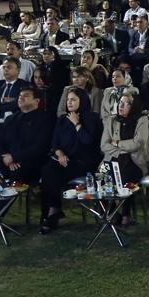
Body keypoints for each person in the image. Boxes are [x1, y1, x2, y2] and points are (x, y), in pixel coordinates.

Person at [40, 86, 102, 233]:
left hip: (83, 162)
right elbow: (55, 142)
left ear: (83, 101)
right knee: (47, 170)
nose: (69, 102)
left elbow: (88, 141)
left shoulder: (92, 118)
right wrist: (60, 154)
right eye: (68, 99)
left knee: (52, 175)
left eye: (73, 99)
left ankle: (52, 212)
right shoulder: (62, 119)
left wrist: (77, 124)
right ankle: (52, 210)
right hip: (63, 160)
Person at [101, 89, 149, 224]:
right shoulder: (111, 120)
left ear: (133, 106)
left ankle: (126, 214)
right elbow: (104, 145)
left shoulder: (142, 119)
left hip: (136, 162)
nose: (120, 106)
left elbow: (138, 143)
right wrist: (122, 150)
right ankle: (113, 213)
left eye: (125, 103)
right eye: (120, 103)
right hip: (113, 159)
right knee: (100, 181)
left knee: (126, 177)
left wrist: (117, 143)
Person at [0, 84, 50, 186]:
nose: (21, 97)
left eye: (26, 96)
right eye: (20, 96)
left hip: (31, 160)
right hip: (8, 161)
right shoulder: (10, 119)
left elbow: (40, 146)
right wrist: (6, 158)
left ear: (37, 101)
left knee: (18, 173)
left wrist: (14, 157)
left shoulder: (45, 119)